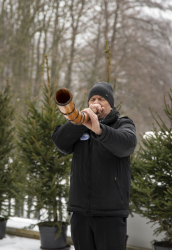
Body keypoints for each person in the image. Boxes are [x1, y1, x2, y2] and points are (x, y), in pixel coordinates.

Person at [52, 82, 137, 250]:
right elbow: (60, 142)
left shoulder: (123, 124)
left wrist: (99, 130)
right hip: (80, 212)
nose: (96, 103)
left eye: (101, 99)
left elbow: (127, 145)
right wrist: (80, 122)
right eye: (92, 99)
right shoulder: (79, 127)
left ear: (110, 105)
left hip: (110, 213)